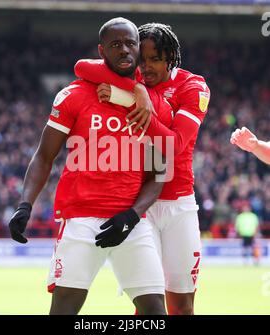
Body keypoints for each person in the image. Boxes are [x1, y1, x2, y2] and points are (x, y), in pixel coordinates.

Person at [8, 18, 173, 315]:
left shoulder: (152, 103)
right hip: (80, 220)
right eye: (115, 44)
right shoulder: (74, 95)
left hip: (131, 223)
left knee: (156, 312)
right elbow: (45, 156)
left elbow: (160, 172)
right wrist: (25, 204)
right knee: (64, 310)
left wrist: (133, 215)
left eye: (130, 44)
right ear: (101, 50)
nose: (124, 50)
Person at [74, 22, 210, 315]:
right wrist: (137, 89)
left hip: (179, 204)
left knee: (182, 304)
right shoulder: (134, 79)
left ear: (170, 58)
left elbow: (173, 147)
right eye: (142, 59)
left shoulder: (193, 86)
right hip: (139, 204)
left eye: (155, 59)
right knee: (148, 304)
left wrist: (127, 100)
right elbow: (82, 67)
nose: (146, 67)